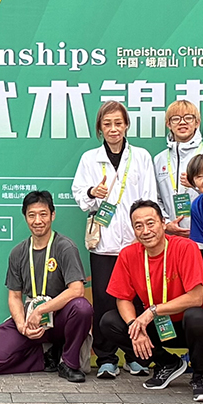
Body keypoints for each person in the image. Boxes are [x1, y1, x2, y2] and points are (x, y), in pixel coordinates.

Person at [71, 101, 159, 376]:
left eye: (118, 123)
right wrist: (92, 192)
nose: (113, 129)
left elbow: (149, 197)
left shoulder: (141, 156)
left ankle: (136, 356)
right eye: (107, 124)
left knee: (137, 300)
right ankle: (106, 358)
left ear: (126, 125)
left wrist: (144, 235)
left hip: (136, 242)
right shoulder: (90, 158)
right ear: (100, 127)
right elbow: (79, 194)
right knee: (104, 300)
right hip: (104, 244)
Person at [95, 200, 203, 398]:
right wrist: (134, 327)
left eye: (151, 223)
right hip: (157, 327)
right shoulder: (128, 255)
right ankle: (167, 363)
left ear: (163, 223)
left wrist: (152, 311)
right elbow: (122, 299)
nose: (145, 231)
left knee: (196, 316)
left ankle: (201, 376)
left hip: (187, 327)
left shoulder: (186, 247)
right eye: (138, 226)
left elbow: (196, 297)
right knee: (110, 322)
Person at [0, 190, 93, 382]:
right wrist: (22, 326)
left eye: (43, 214)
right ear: (25, 217)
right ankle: (47, 358)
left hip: (60, 316)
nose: (37, 220)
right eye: (31, 215)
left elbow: (77, 290)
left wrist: (42, 310)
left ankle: (69, 363)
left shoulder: (65, 247)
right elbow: (15, 296)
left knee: (82, 308)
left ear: (52, 215)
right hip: (31, 318)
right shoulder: (18, 252)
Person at [154, 99, 203, 238]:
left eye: (188, 118)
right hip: (170, 237)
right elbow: (155, 198)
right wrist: (166, 223)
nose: (182, 122)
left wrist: (196, 186)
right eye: (176, 119)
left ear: (197, 123)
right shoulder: (159, 159)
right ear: (168, 124)